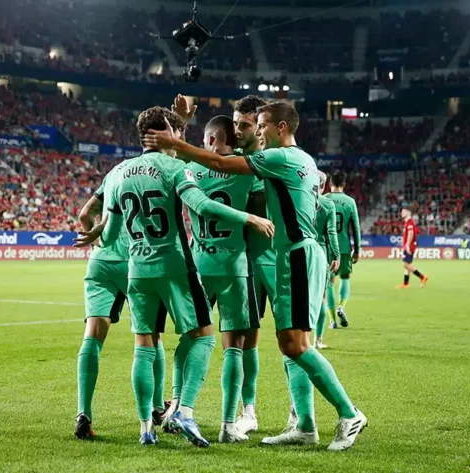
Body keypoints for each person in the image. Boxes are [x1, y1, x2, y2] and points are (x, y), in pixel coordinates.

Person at [144, 101, 367, 451]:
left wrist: (176, 142)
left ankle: (349, 413)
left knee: (294, 344)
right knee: (290, 344)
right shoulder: (304, 160)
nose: (257, 132)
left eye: (260, 125)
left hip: (294, 254)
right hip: (290, 255)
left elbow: (219, 162)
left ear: (281, 127)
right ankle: (304, 425)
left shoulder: (279, 158)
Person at [96, 106, 274, 447]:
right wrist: (250, 219)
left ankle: (153, 422)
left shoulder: (125, 172)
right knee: (225, 344)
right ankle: (220, 421)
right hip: (219, 266)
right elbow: (207, 203)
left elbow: (110, 235)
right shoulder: (224, 169)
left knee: (152, 345)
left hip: (154, 267)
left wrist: (97, 232)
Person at [71, 159, 168, 440]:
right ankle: (157, 408)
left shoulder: (114, 173)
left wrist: (96, 243)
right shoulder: (153, 172)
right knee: (151, 336)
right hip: (136, 261)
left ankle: (83, 414)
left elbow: (84, 215)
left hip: (101, 262)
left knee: (93, 336)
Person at [185, 114, 262, 443]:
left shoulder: (191, 169)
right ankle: (229, 424)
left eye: (204, 139)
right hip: (234, 266)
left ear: (212, 139)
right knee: (235, 347)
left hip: (199, 266)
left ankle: (181, 409)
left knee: (193, 340)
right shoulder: (247, 170)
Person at [231, 95, 269, 435]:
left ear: (260, 127)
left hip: (270, 262)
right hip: (234, 262)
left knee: (292, 340)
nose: (237, 130)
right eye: (235, 123)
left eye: (244, 124)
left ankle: (296, 414)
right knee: (239, 338)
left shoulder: (274, 162)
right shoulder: (230, 160)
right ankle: (247, 410)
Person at [323, 173, 361, 329]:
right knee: (345, 277)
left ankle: (332, 320)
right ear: (344, 185)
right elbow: (356, 228)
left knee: (329, 283)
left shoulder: (323, 199)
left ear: (329, 184)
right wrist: (357, 250)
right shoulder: (350, 202)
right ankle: (341, 306)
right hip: (344, 247)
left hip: (327, 247)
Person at [314, 172, 340, 349]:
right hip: (319, 252)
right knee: (321, 297)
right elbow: (331, 232)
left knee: (300, 297)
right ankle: (318, 340)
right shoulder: (327, 204)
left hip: (297, 250)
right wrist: (336, 255)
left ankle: (299, 339)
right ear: (323, 186)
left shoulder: (298, 199)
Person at [397, 206, 429, 288]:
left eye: (403, 211)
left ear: (408, 213)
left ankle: (422, 277)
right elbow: (413, 232)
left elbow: (411, 233)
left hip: (410, 246)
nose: (401, 213)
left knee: (406, 265)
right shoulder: (408, 222)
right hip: (409, 245)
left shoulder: (410, 222)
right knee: (407, 264)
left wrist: (407, 245)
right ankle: (405, 284)